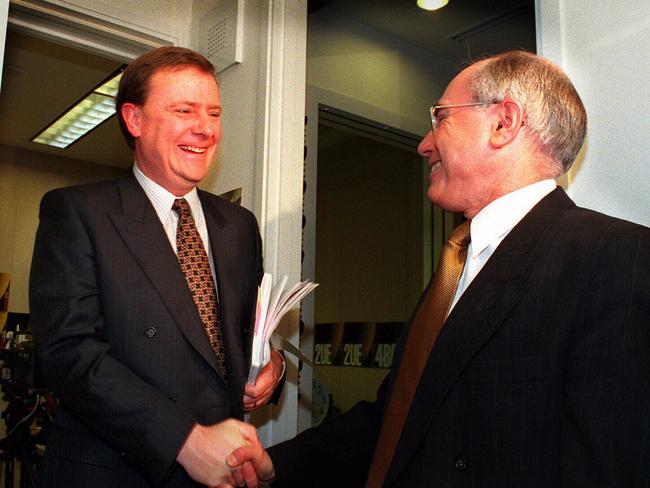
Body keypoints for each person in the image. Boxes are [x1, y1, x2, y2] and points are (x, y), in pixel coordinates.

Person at [229, 50, 650, 487]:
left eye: (441, 119)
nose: (424, 144)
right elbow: (397, 417)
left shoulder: (620, 259)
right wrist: (277, 464)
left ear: (504, 123)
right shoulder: (455, 266)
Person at [30, 46, 285, 487]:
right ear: (134, 119)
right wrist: (185, 441)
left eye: (213, 113)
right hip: (114, 473)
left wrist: (273, 368)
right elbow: (67, 354)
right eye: (184, 110)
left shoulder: (239, 226)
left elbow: (244, 336)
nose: (204, 129)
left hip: (224, 473)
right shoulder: (78, 212)